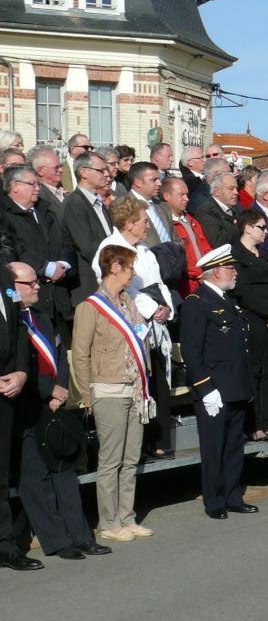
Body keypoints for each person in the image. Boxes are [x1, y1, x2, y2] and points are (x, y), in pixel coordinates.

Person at [10, 261, 109, 560]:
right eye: (30, 283)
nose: (38, 286)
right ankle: (57, 540)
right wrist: (45, 389)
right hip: (26, 408)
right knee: (35, 478)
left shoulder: (42, 317)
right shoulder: (9, 322)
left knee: (64, 471)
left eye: (36, 281)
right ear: (11, 288)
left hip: (54, 404)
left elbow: (59, 357)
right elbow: (16, 367)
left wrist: (60, 389)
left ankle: (81, 536)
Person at [72, 243, 155, 542]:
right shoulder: (89, 307)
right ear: (115, 267)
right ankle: (108, 522)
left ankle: (127, 517)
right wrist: (86, 395)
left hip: (135, 390)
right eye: (130, 267)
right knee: (111, 460)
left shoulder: (128, 303)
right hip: (107, 389)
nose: (133, 273)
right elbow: (80, 355)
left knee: (131, 457)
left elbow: (141, 341)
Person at [91, 196, 175, 459]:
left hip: (155, 321)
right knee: (140, 381)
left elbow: (158, 282)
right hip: (130, 323)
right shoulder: (111, 249)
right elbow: (122, 288)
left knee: (158, 380)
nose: (148, 226)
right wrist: (151, 309)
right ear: (128, 223)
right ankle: (141, 445)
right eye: (143, 221)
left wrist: (166, 308)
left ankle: (159, 440)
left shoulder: (143, 248)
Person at [180, 245, 257, 519]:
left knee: (234, 446)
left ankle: (233, 495)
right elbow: (191, 351)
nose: (234, 272)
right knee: (214, 448)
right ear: (214, 273)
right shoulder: (197, 303)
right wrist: (205, 387)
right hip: (214, 390)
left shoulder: (228, 301)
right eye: (229, 268)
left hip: (235, 386)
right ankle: (214, 501)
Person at [231, 209, 268, 443]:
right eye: (261, 227)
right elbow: (242, 290)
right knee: (254, 371)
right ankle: (253, 425)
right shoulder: (236, 254)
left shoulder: (266, 254)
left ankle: (267, 422)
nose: (266, 232)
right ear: (247, 228)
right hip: (253, 318)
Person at [1, 164, 71, 330]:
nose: (37, 188)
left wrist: (64, 264)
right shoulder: (5, 216)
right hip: (26, 300)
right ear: (14, 186)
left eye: (37, 184)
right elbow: (12, 251)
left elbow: (66, 242)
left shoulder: (46, 212)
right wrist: (46, 267)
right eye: (31, 184)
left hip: (57, 299)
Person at [0, 261, 37, 571]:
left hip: (7, 386)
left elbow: (19, 325)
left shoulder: (5, 278)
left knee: (1, 473)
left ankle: (5, 545)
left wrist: (22, 371)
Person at [60, 151, 115, 306]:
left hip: (107, 280)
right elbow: (89, 247)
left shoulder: (98, 203)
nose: (106, 174)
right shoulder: (75, 204)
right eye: (101, 170)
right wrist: (117, 264)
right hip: (89, 286)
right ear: (84, 172)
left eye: (106, 170)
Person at [161, 177, 212, 299]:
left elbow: (205, 247)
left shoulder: (191, 220)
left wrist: (210, 269)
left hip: (205, 279)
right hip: (186, 286)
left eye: (187, 194)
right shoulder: (166, 225)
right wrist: (200, 274)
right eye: (181, 195)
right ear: (166, 196)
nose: (187, 199)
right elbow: (177, 259)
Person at [193, 171, 240, 249]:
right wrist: (241, 226)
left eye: (236, 188)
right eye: (231, 189)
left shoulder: (234, 208)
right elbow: (218, 242)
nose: (236, 192)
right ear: (217, 192)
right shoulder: (206, 211)